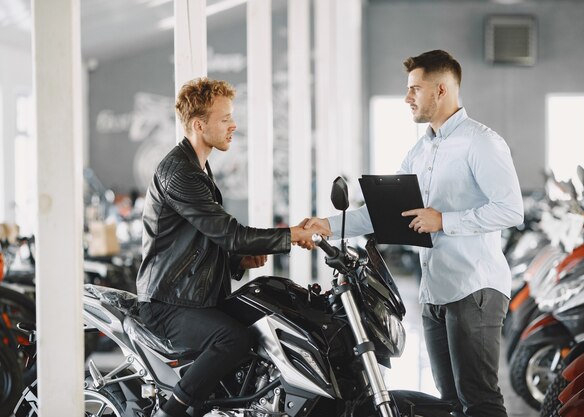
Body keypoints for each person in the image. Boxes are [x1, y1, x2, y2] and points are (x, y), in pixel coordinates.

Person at [302, 50, 524, 417]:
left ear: (441, 90)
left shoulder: (481, 142)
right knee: (449, 403)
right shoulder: (421, 150)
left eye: (414, 89)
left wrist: (444, 221)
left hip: (476, 289)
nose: (407, 98)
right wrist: (328, 225)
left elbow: (511, 209)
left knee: (479, 400)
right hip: (435, 291)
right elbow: (387, 212)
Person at [136, 77, 330, 417]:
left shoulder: (198, 166)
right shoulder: (180, 172)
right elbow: (230, 234)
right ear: (199, 125)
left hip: (192, 296)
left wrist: (238, 260)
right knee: (233, 340)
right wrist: (291, 235)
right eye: (225, 118)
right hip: (167, 302)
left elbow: (202, 240)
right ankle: (172, 410)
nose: (233, 125)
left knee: (265, 313)